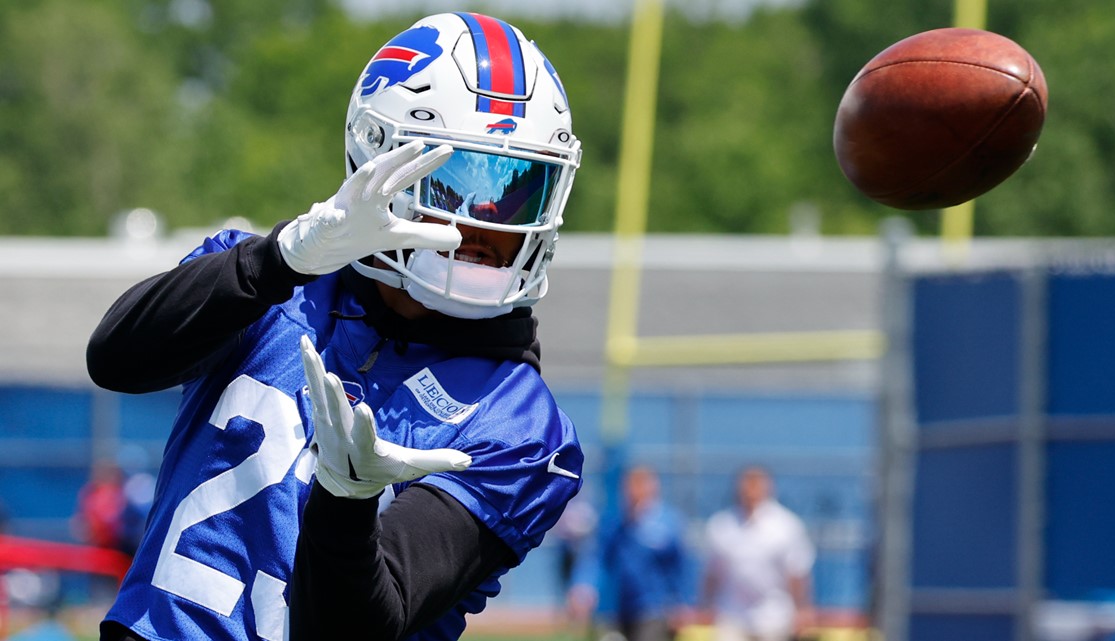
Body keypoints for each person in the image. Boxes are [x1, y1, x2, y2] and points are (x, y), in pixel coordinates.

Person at [86, 12, 583, 641]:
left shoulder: (518, 425)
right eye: (462, 182)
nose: (494, 226)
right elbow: (115, 359)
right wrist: (279, 259)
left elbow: (353, 630)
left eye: (520, 189)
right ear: (378, 155)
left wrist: (347, 502)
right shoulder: (267, 285)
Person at [570, 466, 695, 641]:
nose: (635, 492)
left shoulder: (668, 524)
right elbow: (596, 558)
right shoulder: (616, 524)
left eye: (641, 485)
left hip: (655, 610)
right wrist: (583, 587)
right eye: (631, 486)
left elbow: (681, 567)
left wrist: (683, 603)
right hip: (618, 610)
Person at [702, 466, 816, 641]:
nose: (751, 490)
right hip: (732, 614)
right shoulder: (721, 525)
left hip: (775, 615)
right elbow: (712, 574)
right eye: (747, 484)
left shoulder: (786, 525)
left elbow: (797, 573)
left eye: (756, 484)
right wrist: (705, 606)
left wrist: (802, 609)